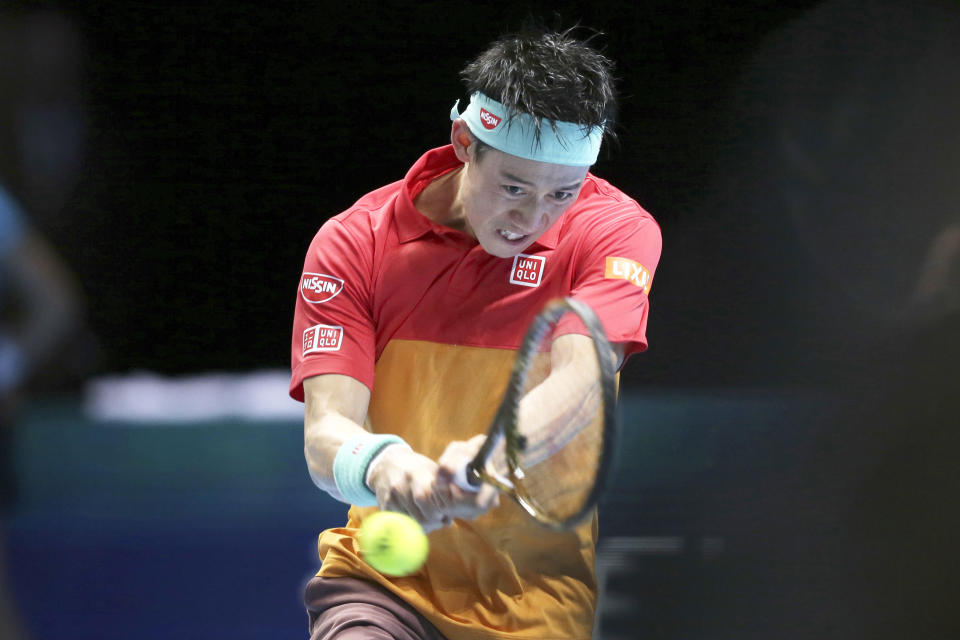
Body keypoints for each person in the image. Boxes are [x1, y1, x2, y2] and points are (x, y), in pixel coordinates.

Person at [289, 28, 662, 640]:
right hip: (384, 583)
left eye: (560, 194)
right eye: (514, 187)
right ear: (465, 141)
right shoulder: (355, 242)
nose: (533, 218)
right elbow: (326, 436)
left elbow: (582, 375)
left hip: (537, 598)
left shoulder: (615, 232)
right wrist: (383, 465)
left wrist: (494, 454)